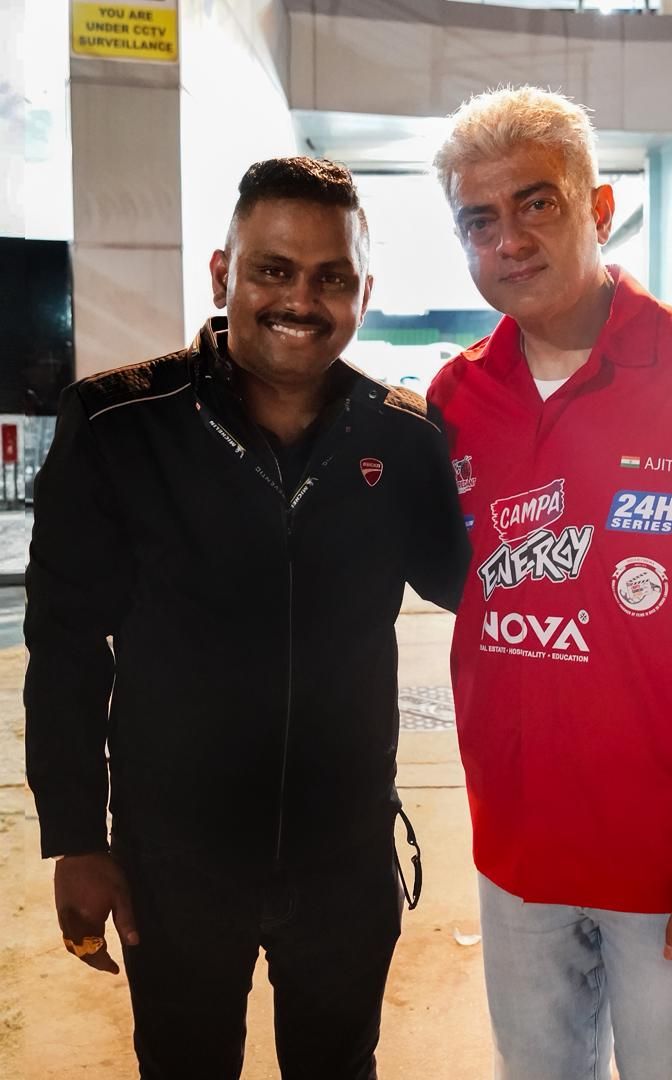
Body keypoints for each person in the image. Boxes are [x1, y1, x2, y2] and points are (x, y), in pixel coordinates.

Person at [25, 156, 470, 1080]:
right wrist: (75, 837)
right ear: (225, 273)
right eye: (273, 269)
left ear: (362, 292)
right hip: (175, 865)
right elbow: (65, 645)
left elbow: (480, 590)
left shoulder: (401, 436)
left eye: (330, 277)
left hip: (345, 860)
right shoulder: (119, 425)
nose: (300, 299)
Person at [428, 87, 672, 1080]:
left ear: (598, 209)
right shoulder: (456, 399)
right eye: (480, 220)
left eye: (537, 203)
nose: (508, 240)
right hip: (515, 856)